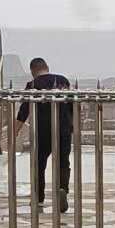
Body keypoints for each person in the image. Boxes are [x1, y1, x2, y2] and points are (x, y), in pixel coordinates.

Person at [16, 57, 74, 213]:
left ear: (33, 71)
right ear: (47, 67)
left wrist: (15, 131)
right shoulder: (63, 81)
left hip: (42, 131)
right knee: (63, 162)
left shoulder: (33, 85)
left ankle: (38, 197)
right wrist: (71, 127)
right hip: (63, 129)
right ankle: (62, 188)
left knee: (39, 164)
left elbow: (24, 111)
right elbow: (71, 106)